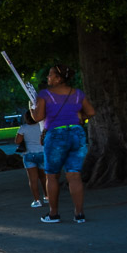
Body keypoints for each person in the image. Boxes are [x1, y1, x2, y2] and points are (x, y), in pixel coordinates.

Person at [30, 64, 95, 223]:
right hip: (76, 133)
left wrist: (31, 108)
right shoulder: (78, 93)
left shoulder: (45, 94)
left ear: (58, 78)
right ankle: (79, 214)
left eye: (50, 75)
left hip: (56, 135)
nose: (48, 78)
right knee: (74, 174)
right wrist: (81, 118)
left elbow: (37, 117)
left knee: (51, 175)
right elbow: (91, 112)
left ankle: (53, 214)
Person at [15, 110, 47, 207]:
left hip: (29, 154)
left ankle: (37, 200)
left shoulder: (23, 128)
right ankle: (47, 196)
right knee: (44, 177)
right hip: (42, 152)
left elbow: (17, 141)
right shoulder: (41, 126)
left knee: (33, 180)